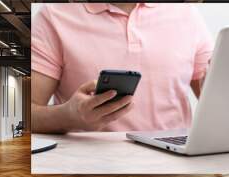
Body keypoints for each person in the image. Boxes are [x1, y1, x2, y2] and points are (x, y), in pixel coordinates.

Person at [31, 3, 213, 133]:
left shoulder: (188, 15)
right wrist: (69, 116)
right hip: (86, 170)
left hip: (176, 164)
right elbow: (28, 115)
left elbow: (216, 102)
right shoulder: (53, 16)